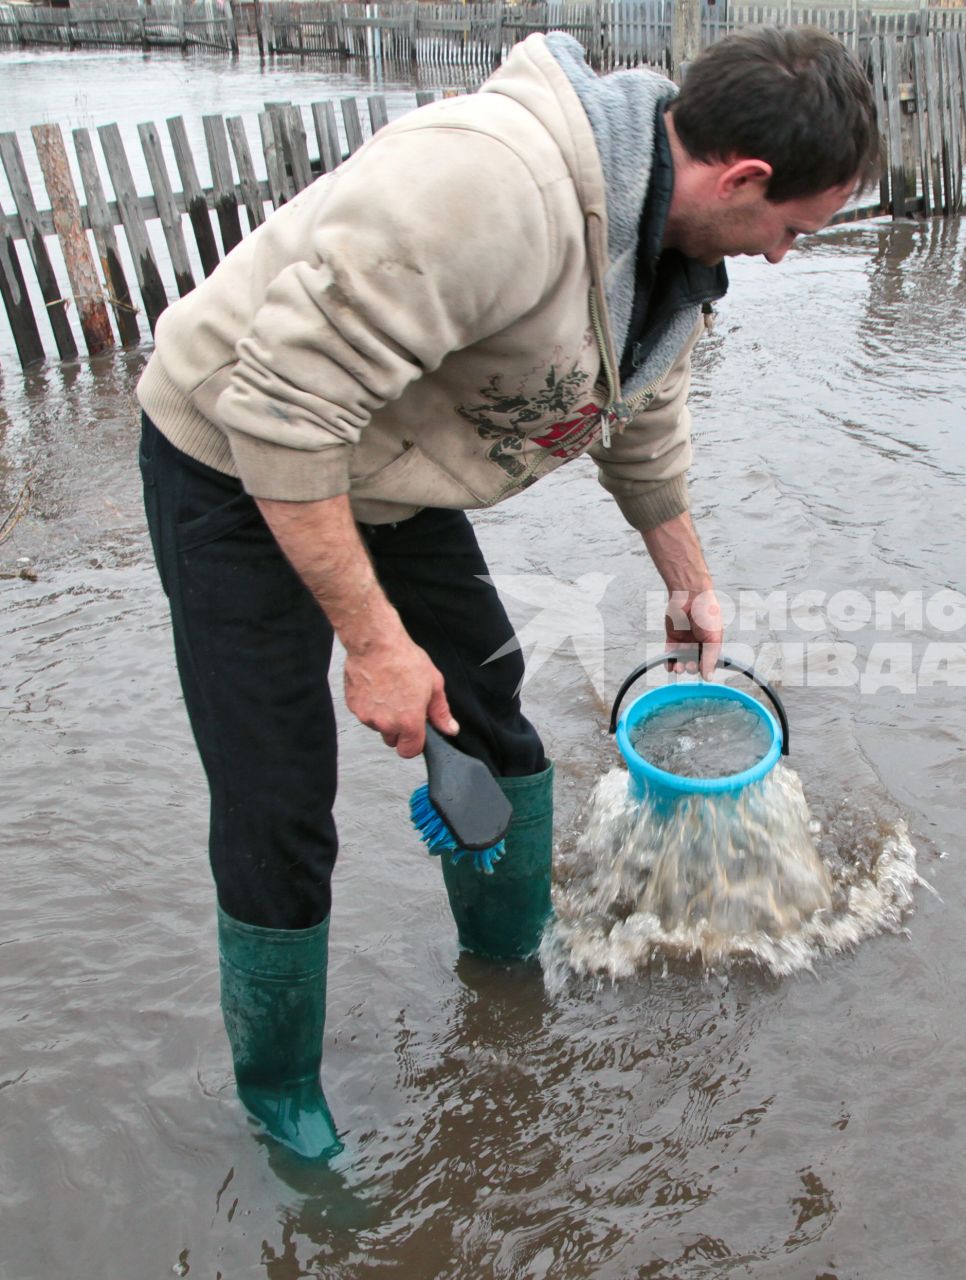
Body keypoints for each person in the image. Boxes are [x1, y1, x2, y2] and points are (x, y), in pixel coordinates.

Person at [135, 27, 880, 1160]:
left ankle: (505, 980)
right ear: (745, 179)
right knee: (279, 800)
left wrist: (689, 581)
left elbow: (642, 412)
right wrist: (374, 643)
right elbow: (278, 412)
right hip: (238, 460)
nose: (784, 256)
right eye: (792, 231)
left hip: (386, 467)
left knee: (500, 725)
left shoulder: (675, 250)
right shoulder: (492, 187)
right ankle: (282, 1097)